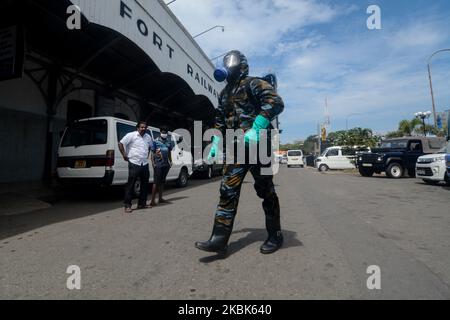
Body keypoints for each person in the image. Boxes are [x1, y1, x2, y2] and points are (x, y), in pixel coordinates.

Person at [195, 50, 285, 255]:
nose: (228, 65)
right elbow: (219, 120)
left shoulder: (254, 83)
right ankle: (218, 239)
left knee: (266, 191)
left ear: (241, 64)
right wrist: (215, 142)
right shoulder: (224, 93)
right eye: (226, 62)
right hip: (236, 150)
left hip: (258, 146)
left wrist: (257, 127)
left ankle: (275, 235)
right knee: (227, 191)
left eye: (231, 62)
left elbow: (275, 102)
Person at [118, 121, 153, 213]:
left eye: (145, 127)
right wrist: (124, 155)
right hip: (134, 163)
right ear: (137, 128)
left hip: (144, 163)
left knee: (145, 184)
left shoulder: (148, 137)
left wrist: (147, 155)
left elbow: (150, 147)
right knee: (131, 184)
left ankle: (142, 204)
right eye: (141, 127)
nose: (143, 129)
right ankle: (127, 205)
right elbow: (120, 143)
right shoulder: (131, 135)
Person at [150, 127, 174, 207]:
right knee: (156, 182)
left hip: (166, 164)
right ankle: (152, 201)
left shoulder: (168, 142)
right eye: (163, 132)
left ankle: (160, 198)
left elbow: (169, 152)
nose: (164, 133)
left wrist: (171, 161)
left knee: (162, 182)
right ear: (160, 132)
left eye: (166, 132)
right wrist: (153, 163)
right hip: (158, 164)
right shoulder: (155, 141)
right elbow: (152, 153)